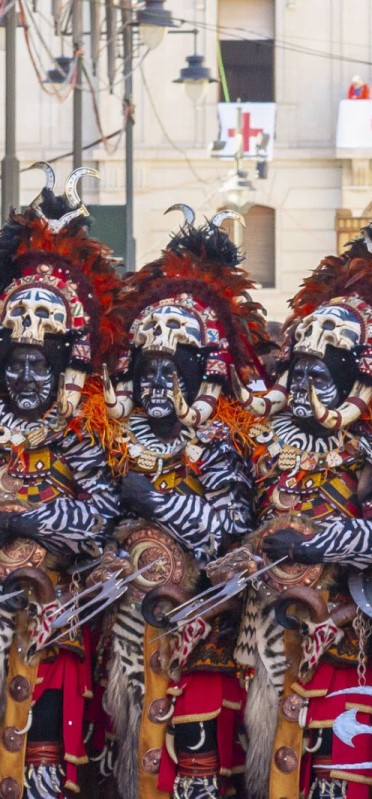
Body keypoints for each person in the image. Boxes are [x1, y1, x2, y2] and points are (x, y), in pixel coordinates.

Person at [234, 197, 372, 799]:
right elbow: (233, 520)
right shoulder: (263, 439)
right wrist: (248, 548)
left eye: (320, 375)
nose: (303, 386)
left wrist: (319, 543)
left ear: (353, 380)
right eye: (298, 372)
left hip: (345, 632)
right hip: (260, 626)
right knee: (262, 766)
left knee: (334, 772)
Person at [97, 207, 267, 799]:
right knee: (127, 754)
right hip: (123, 625)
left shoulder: (220, 441)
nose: (156, 386)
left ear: (200, 376)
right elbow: (93, 522)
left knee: (194, 753)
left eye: (171, 372)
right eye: (148, 371)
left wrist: (159, 503)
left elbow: (232, 529)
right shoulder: (116, 437)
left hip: (200, 629)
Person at [0, 163, 120, 799]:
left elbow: (102, 518)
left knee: (41, 765)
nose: (25, 378)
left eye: (37, 365)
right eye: (15, 364)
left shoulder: (81, 432)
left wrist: (29, 522)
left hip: (52, 621)